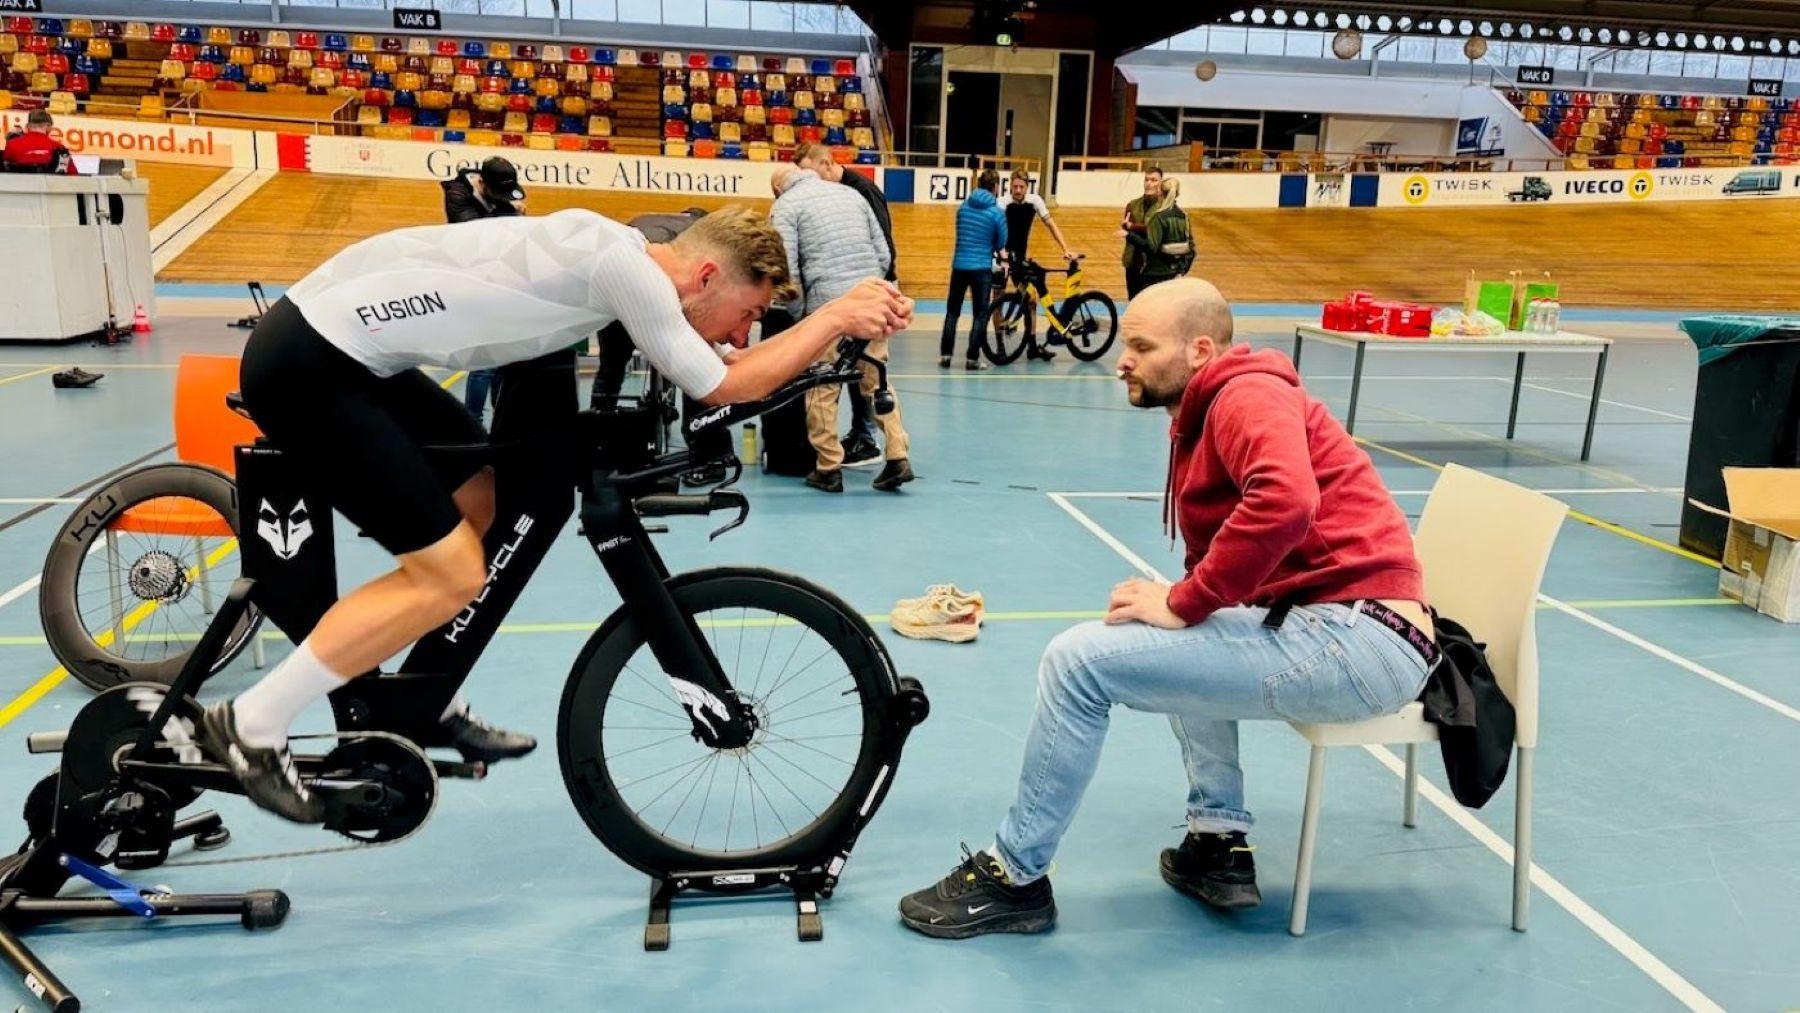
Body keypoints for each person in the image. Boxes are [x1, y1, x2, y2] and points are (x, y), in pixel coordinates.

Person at [203, 206, 912, 823]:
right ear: (704, 279)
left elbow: (699, 348)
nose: (746, 331)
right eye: (750, 313)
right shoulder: (626, 271)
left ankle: (410, 700)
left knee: (484, 496)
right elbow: (720, 385)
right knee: (449, 574)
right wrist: (835, 316)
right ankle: (251, 722)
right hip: (311, 364)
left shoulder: (628, 251)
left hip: (345, 350)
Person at [898, 277, 1435, 938]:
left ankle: (1015, 876)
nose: (1121, 359)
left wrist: (1185, 601)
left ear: (1200, 349)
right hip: (1344, 625)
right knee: (1168, 631)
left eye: (1142, 346)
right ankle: (1216, 841)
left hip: (1358, 638)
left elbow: (1288, 502)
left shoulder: (1246, 393)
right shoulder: (1211, 405)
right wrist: (1184, 605)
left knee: (1077, 662)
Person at [769, 165, 912, 494]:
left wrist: (800, 314)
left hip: (828, 307)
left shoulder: (786, 207)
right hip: (870, 300)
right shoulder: (851, 195)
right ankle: (897, 456)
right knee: (878, 381)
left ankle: (828, 467)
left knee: (822, 386)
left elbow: (786, 268)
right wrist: (871, 291)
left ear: (778, 189)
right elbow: (883, 251)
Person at [794, 141, 892, 469]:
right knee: (866, 374)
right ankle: (886, 447)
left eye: (813, 174)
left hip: (862, 295)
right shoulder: (843, 192)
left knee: (837, 379)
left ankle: (860, 441)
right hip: (864, 295)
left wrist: (877, 289)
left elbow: (885, 246)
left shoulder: (862, 191)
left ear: (828, 163)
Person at [440, 156, 527, 424]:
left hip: (502, 282)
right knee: (483, 362)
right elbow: (476, 235)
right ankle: (473, 424)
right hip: (472, 283)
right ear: (481, 182)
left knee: (504, 362)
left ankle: (501, 421)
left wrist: (513, 212)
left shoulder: (505, 191)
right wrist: (509, 211)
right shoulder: (457, 194)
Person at [997, 169, 1081, 361]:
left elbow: (1051, 224)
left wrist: (1065, 248)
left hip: (1020, 256)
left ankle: (1032, 346)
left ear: (1027, 187)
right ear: (1009, 185)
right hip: (1006, 256)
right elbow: (997, 227)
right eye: (1015, 186)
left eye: (1021, 187)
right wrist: (1002, 252)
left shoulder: (1035, 201)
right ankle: (1010, 342)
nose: (1018, 190)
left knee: (1032, 300)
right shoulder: (1003, 202)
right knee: (1023, 299)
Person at [940, 168, 1007, 371]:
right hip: (981, 269)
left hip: (959, 266)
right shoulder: (996, 213)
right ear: (996, 187)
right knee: (980, 314)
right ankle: (972, 358)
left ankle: (945, 355)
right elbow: (1001, 242)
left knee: (952, 312)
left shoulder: (963, 208)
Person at [1121, 176, 1194, 290]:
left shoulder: (1158, 218)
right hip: (1175, 274)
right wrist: (1182, 271)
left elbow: (1151, 248)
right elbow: (1191, 250)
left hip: (1155, 274)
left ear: (1160, 193)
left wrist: (1129, 235)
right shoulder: (1184, 217)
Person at [1119, 167, 1163, 299]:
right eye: (1146, 180)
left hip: (1154, 263)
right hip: (1133, 260)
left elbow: (1156, 230)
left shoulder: (1164, 206)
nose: (1149, 183)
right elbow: (1127, 230)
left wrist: (1133, 226)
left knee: (1152, 301)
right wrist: (1131, 227)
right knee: (1133, 300)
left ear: (1161, 183)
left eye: (1154, 180)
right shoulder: (1132, 205)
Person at [3, 110, 77, 175]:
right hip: (49, 189)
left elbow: (4, 170)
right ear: (49, 127)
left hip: (18, 188)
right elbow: (73, 176)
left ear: (27, 126)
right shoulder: (59, 147)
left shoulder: (12, 144)